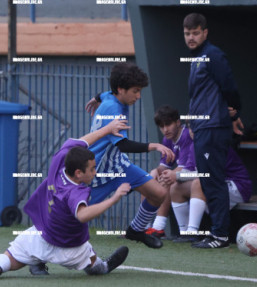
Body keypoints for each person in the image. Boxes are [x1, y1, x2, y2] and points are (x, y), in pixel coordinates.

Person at [0, 119, 130, 277]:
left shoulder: (60, 159)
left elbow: (82, 141)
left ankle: (34, 261)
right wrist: (114, 198)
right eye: (92, 169)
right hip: (69, 247)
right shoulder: (75, 192)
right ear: (78, 173)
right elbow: (82, 215)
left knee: (7, 260)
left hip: (42, 233)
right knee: (96, 266)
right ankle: (103, 266)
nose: (95, 172)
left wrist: (107, 129)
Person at [85, 63, 175, 249]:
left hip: (119, 165)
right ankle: (38, 256)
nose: (138, 96)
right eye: (135, 91)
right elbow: (123, 145)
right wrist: (155, 146)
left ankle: (135, 230)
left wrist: (95, 98)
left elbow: (104, 94)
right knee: (72, 217)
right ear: (121, 89)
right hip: (98, 171)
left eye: (140, 91)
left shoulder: (111, 96)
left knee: (158, 193)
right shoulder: (112, 108)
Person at [184, 13, 244, 248]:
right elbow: (201, 96)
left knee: (213, 181)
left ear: (205, 33)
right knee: (209, 181)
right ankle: (216, 232)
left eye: (196, 33)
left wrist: (235, 113)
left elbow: (229, 86)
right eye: (187, 33)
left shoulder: (213, 55)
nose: (191, 37)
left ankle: (220, 235)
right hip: (203, 127)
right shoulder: (197, 57)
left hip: (213, 128)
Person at [170, 142, 252, 246]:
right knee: (176, 188)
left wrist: (177, 175)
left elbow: (208, 174)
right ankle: (185, 233)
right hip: (215, 186)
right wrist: (172, 176)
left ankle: (192, 232)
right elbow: (188, 170)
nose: (193, 130)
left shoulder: (215, 144)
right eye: (191, 127)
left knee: (198, 183)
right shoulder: (194, 145)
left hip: (238, 187)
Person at [144, 105, 193, 238]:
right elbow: (164, 166)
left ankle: (159, 227)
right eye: (161, 126)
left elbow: (183, 168)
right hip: (183, 177)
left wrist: (164, 176)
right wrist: (154, 173)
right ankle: (144, 225)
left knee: (167, 180)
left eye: (168, 124)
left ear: (178, 122)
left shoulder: (186, 135)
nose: (165, 130)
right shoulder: (167, 139)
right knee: (147, 179)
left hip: (195, 177)